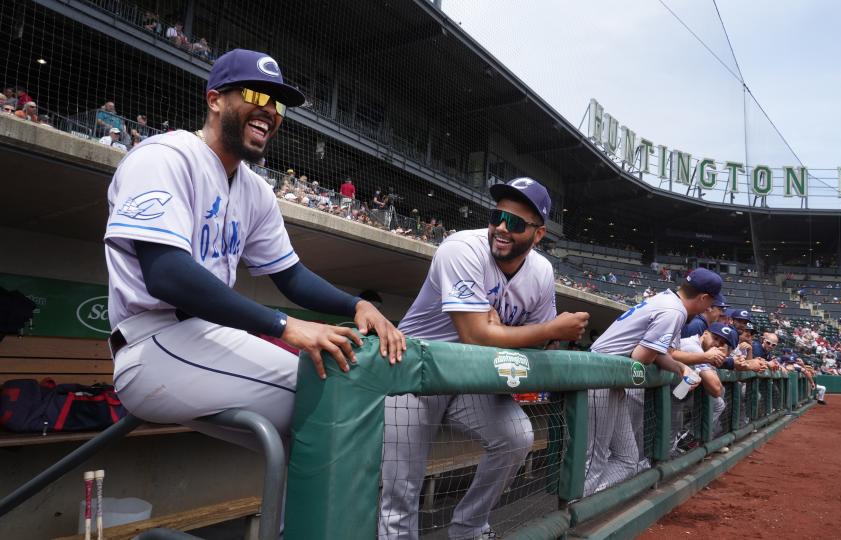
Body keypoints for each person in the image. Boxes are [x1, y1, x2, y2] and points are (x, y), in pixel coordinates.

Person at [103, 49, 405, 456]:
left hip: (204, 340)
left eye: (276, 103)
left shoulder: (254, 190)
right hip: (152, 342)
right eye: (256, 96)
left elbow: (291, 276)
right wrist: (285, 326)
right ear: (215, 100)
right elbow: (167, 274)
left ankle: (292, 523)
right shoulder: (164, 157)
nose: (270, 111)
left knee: (309, 441)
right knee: (340, 398)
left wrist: (356, 305)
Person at [379, 177, 589, 540]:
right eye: (497, 216)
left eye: (517, 223)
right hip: (415, 373)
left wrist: (517, 334)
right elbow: (476, 335)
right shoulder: (462, 247)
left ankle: (469, 527)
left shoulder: (541, 272)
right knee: (402, 490)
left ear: (538, 235)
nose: (502, 228)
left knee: (517, 438)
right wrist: (546, 329)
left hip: (470, 379)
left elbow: (542, 349)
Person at [582, 268, 720, 495]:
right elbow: (641, 358)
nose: (708, 309)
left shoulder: (665, 298)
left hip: (611, 380)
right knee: (594, 463)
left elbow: (654, 353)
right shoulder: (674, 312)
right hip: (600, 377)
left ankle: (586, 501)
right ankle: (573, 512)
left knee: (628, 460)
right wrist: (672, 363)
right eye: (710, 303)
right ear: (703, 298)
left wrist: (679, 367)